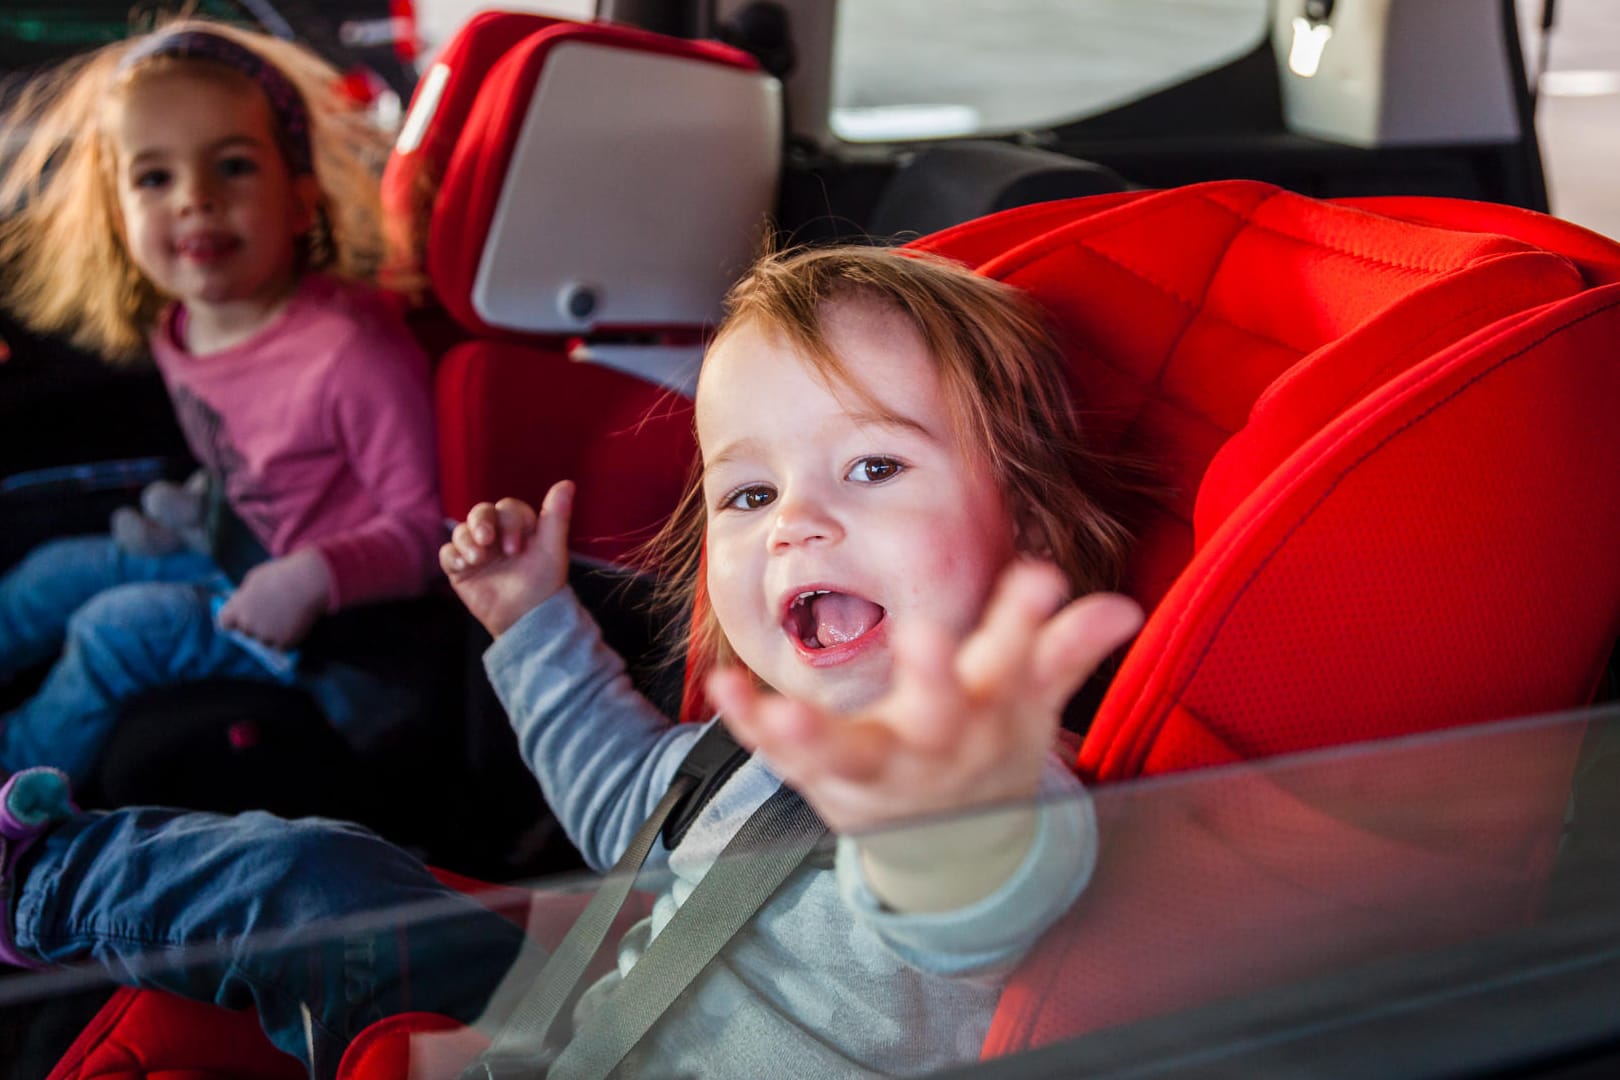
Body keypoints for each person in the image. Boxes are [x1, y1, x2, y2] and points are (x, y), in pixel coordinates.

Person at [0, 246, 1144, 1078]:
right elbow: (623, 809)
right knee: (307, 869)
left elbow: (975, 901)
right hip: (573, 1032)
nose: (794, 522)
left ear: (1033, 533)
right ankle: (45, 879)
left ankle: (33, 877)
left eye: (876, 469)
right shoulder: (743, 757)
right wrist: (529, 619)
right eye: (750, 493)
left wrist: (939, 812)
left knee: (303, 883)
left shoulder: (1002, 786)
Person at [0, 20, 443, 782]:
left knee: (116, 632)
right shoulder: (184, 328)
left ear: (302, 200)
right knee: (49, 577)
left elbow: (425, 529)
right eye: (154, 179)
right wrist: (202, 505)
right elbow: (265, 461)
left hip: (337, 634)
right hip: (238, 556)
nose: (196, 200)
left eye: (233, 167)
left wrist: (312, 575)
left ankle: (16, 785)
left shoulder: (351, 353)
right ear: (118, 214)